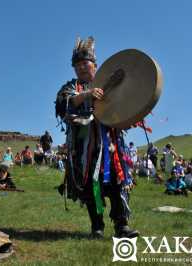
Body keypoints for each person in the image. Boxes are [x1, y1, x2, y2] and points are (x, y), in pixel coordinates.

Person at [55, 36, 137, 238]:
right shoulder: (71, 87)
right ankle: (97, 226)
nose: (82, 68)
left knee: (117, 183)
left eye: (85, 63)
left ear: (95, 65)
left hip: (111, 145)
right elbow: (62, 104)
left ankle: (122, 225)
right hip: (85, 148)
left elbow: (126, 105)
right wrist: (86, 95)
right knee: (92, 186)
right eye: (78, 65)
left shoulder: (110, 83)